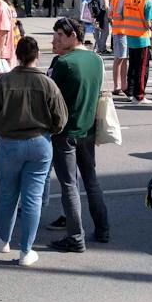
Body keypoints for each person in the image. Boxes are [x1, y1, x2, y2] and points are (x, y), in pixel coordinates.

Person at [0, 36, 68, 266]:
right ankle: (26, 250)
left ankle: (3, 239)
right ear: (37, 56)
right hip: (40, 143)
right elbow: (60, 119)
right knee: (32, 197)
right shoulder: (48, 83)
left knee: (8, 194)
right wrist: (49, 131)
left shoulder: (4, 81)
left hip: (9, 143)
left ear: (18, 56)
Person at [47, 18, 109, 251]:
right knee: (91, 181)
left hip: (65, 131)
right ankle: (102, 229)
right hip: (88, 129)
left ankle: (75, 237)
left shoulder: (64, 62)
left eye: (59, 36)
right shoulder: (95, 59)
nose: (55, 40)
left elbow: (49, 94)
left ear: (73, 35)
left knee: (69, 185)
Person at [117, 0, 152, 103]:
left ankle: (131, 92)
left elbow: (123, 14)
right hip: (142, 37)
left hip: (130, 35)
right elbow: (148, 22)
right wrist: (151, 24)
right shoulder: (147, 1)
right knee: (142, 68)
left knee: (133, 66)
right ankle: (139, 96)